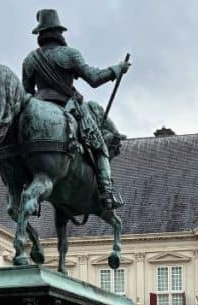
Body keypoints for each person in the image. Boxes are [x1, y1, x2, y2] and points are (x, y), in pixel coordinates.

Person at [21, 8, 131, 210]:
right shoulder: (70, 54)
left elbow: (26, 95)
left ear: (40, 34)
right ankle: (107, 192)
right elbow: (94, 78)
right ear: (59, 32)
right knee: (100, 147)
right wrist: (117, 69)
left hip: (37, 106)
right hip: (68, 107)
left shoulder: (29, 60)